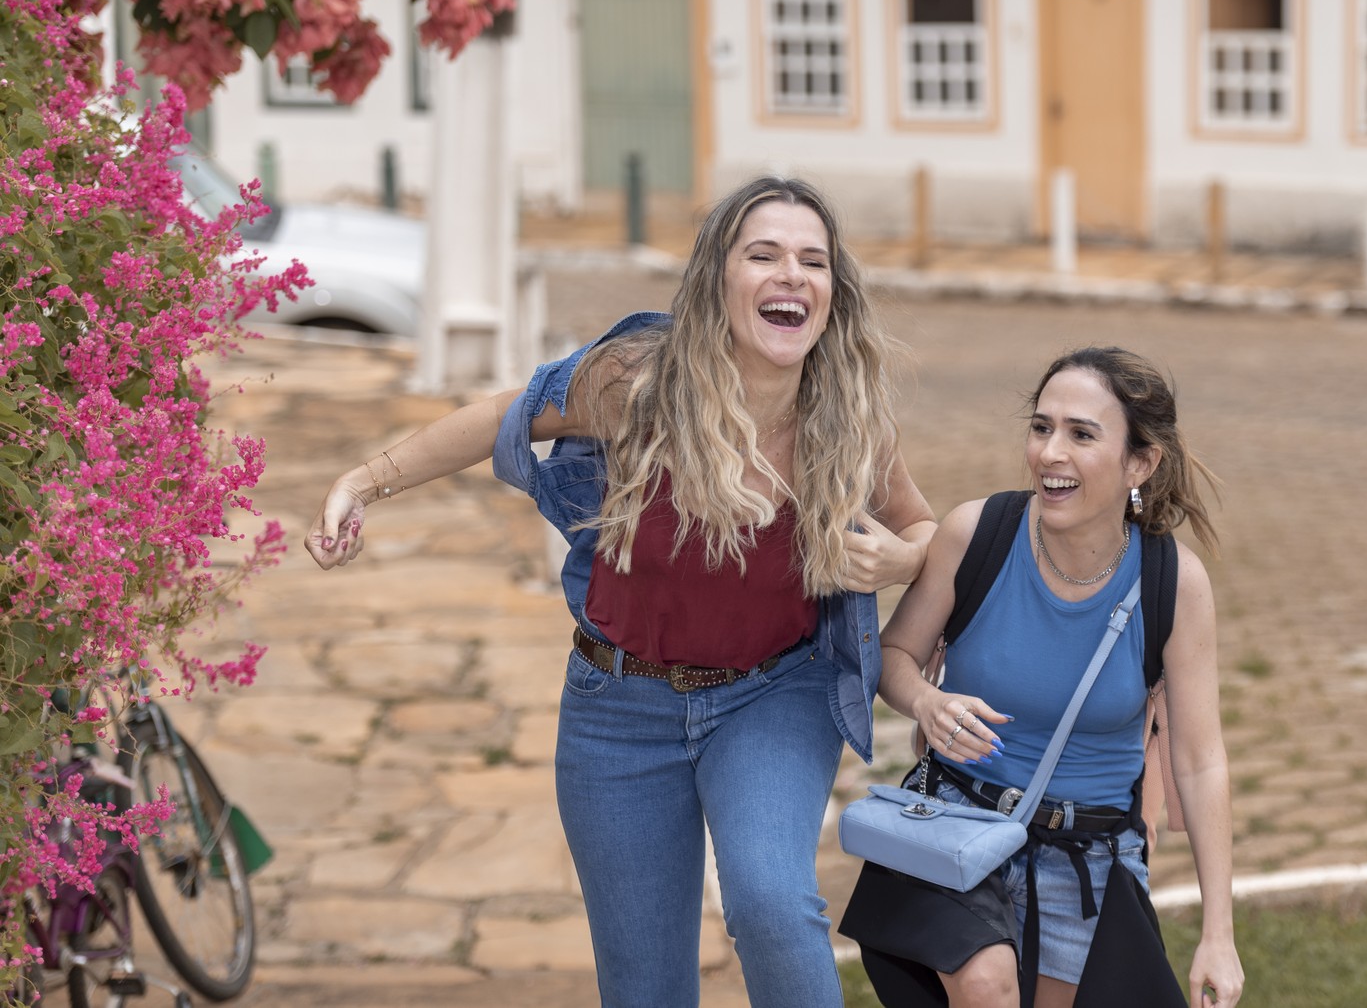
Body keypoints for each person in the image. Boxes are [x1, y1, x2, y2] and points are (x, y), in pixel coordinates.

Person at [305, 176, 936, 1007]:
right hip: (618, 710)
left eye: (812, 261)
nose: (792, 274)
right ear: (719, 280)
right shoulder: (638, 384)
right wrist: (363, 480)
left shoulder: (846, 413)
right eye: (765, 255)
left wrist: (896, 561)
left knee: (774, 905)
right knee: (645, 986)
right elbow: (504, 414)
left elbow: (926, 532)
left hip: (774, 695)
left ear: (831, 293)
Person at [839, 347, 1244, 1008]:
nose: (1051, 452)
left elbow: (1200, 762)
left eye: (1082, 435)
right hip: (956, 827)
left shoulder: (1174, 584)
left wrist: (1218, 935)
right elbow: (893, 657)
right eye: (1041, 427)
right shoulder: (977, 533)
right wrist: (926, 703)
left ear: (1139, 463)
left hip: (1088, 859)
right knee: (986, 983)